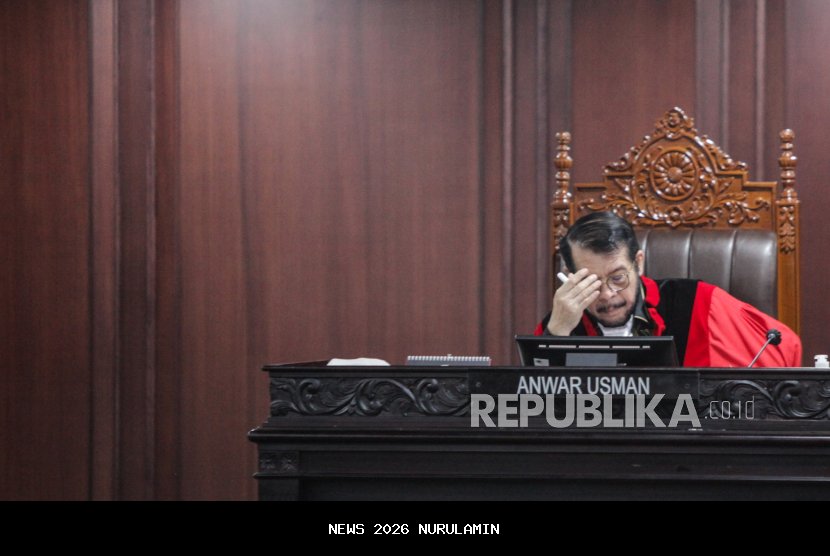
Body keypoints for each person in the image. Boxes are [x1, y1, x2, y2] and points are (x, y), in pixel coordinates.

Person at [534, 211, 802, 367]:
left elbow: (785, 348)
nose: (607, 294)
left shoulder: (697, 303)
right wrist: (556, 333)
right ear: (569, 276)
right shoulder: (560, 322)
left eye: (618, 278)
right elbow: (534, 407)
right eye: (591, 281)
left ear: (638, 263)